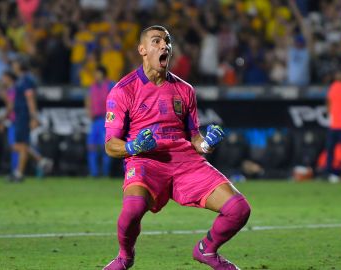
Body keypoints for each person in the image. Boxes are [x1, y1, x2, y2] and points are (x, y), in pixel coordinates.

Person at [103, 25, 251, 270]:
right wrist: (134, 146)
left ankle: (207, 250)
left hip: (185, 162)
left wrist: (206, 143)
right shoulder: (123, 90)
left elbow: (194, 138)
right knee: (132, 210)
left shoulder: (185, 90)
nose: (164, 46)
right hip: (145, 160)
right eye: (156, 41)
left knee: (239, 209)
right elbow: (110, 145)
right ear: (142, 49)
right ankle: (124, 257)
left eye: (167, 42)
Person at [0, 70, 52, 182]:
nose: (2, 80)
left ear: (9, 78)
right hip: (15, 120)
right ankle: (38, 162)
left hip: (18, 119)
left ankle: (28, 167)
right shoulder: (13, 88)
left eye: (4, 78)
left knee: (18, 146)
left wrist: (3, 119)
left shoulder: (16, 89)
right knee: (19, 146)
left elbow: (11, 105)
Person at [85, 65, 113, 177]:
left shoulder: (111, 85)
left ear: (103, 74)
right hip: (95, 120)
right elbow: (88, 99)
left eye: (97, 73)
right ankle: (94, 173)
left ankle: (106, 173)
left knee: (106, 147)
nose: (95, 75)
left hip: (106, 120)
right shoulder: (92, 87)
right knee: (91, 146)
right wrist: (88, 111)